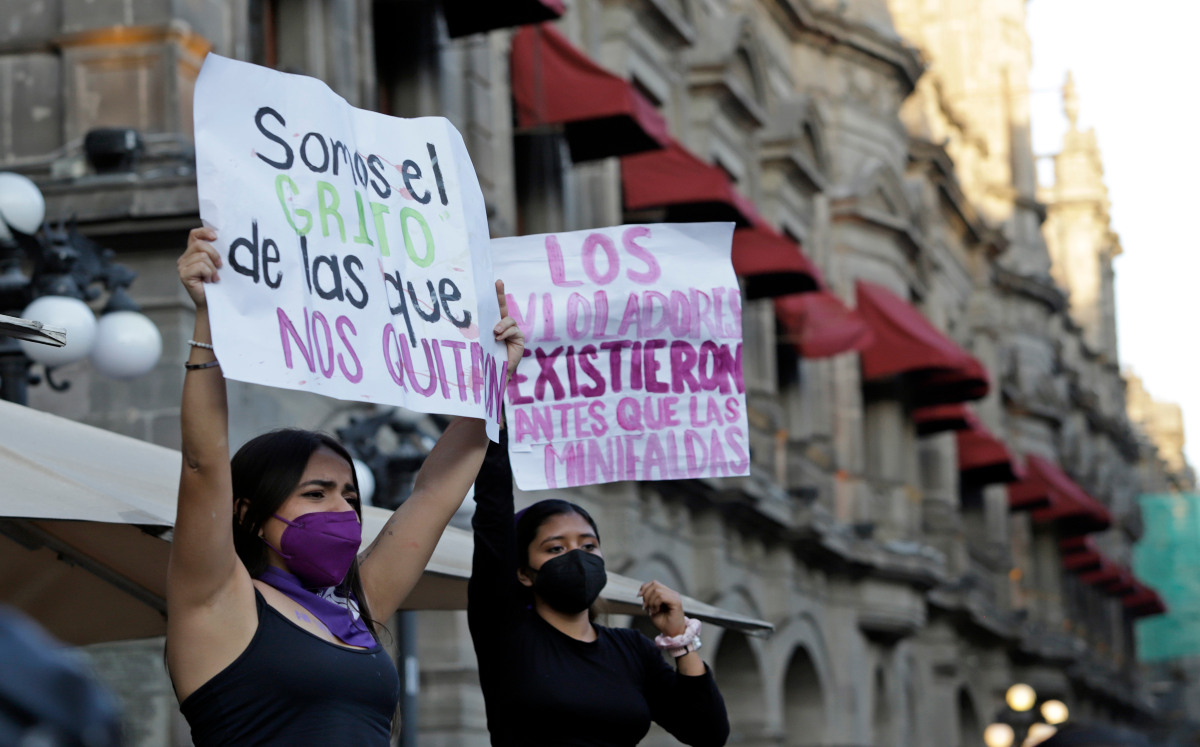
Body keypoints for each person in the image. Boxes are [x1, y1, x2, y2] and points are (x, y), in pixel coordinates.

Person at [167, 227, 523, 746]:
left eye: (350, 497)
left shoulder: (356, 606)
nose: (342, 510)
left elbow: (433, 497)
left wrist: (493, 378)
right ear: (246, 513)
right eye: (316, 493)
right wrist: (208, 318)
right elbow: (203, 465)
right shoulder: (218, 599)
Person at [468, 430, 731, 746]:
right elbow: (492, 516)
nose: (578, 557)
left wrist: (680, 640)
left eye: (589, 545)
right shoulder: (506, 631)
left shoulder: (633, 649)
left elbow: (707, 732)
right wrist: (495, 427)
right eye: (556, 549)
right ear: (524, 573)